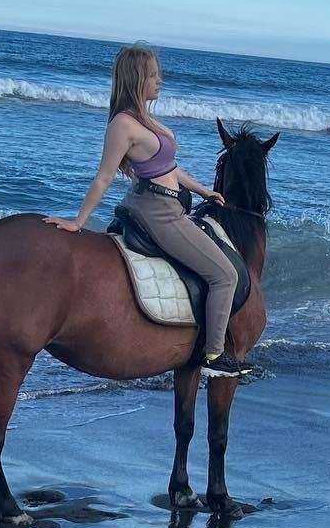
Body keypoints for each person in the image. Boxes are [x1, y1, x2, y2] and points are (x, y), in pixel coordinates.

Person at [44, 45, 252, 376]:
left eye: (158, 74)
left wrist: (203, 190)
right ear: (138, 78)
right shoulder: (123, 125)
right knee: (224, 275)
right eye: (154, 75)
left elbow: (169, 167)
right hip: (157, 212)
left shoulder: (146, 118)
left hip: (169, 203)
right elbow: (104, 176)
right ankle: (213, 356)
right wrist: (78, 221)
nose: (160, 80)